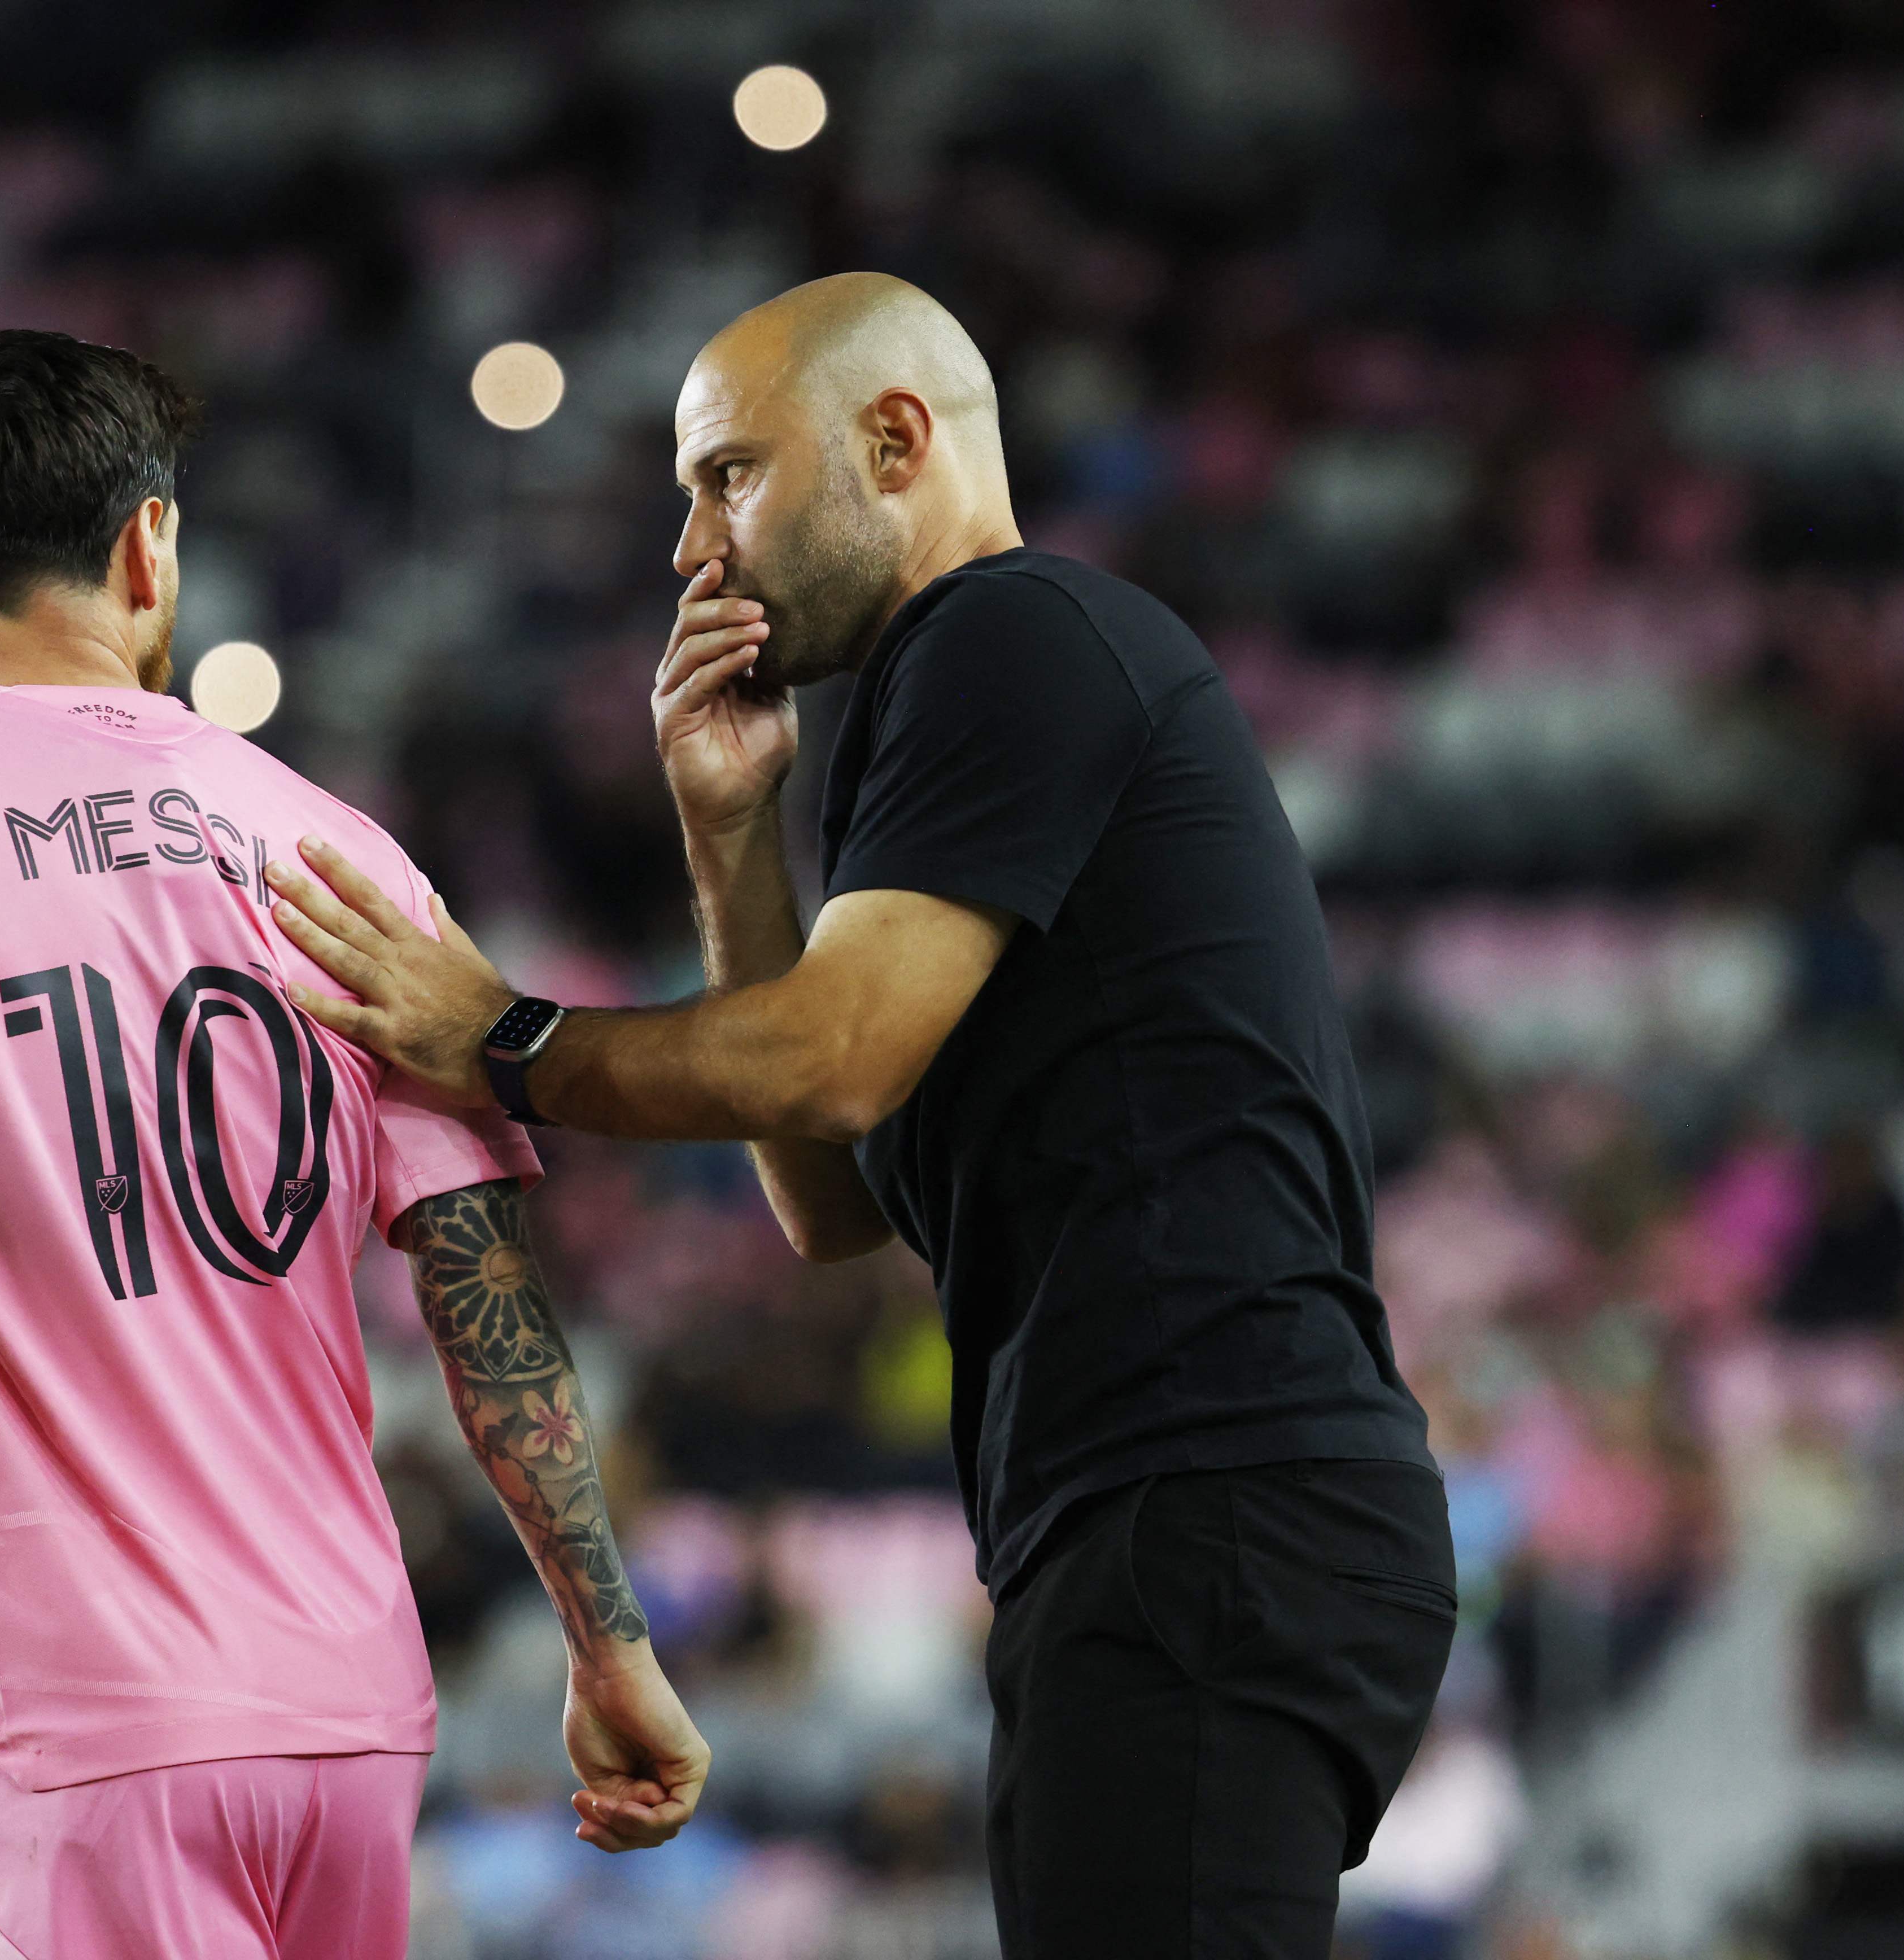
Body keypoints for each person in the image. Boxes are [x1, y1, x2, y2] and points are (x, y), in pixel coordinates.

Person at [264, 274, 1456, 1959]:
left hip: (1204, 1494)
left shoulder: (1005, 633)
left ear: (896, 441)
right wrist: (730, 836)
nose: (691, 548)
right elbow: (826, 1198)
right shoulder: (989, 681)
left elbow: (828, 1057)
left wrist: (503, 1041)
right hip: (1181, 1510)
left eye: (728, 476)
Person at [0, 330, 707, 1959]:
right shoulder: (341, 853)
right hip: (346, 1720)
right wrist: (608, 1641)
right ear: (149, 547)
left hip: (68, 1724)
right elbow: (488, 1296)